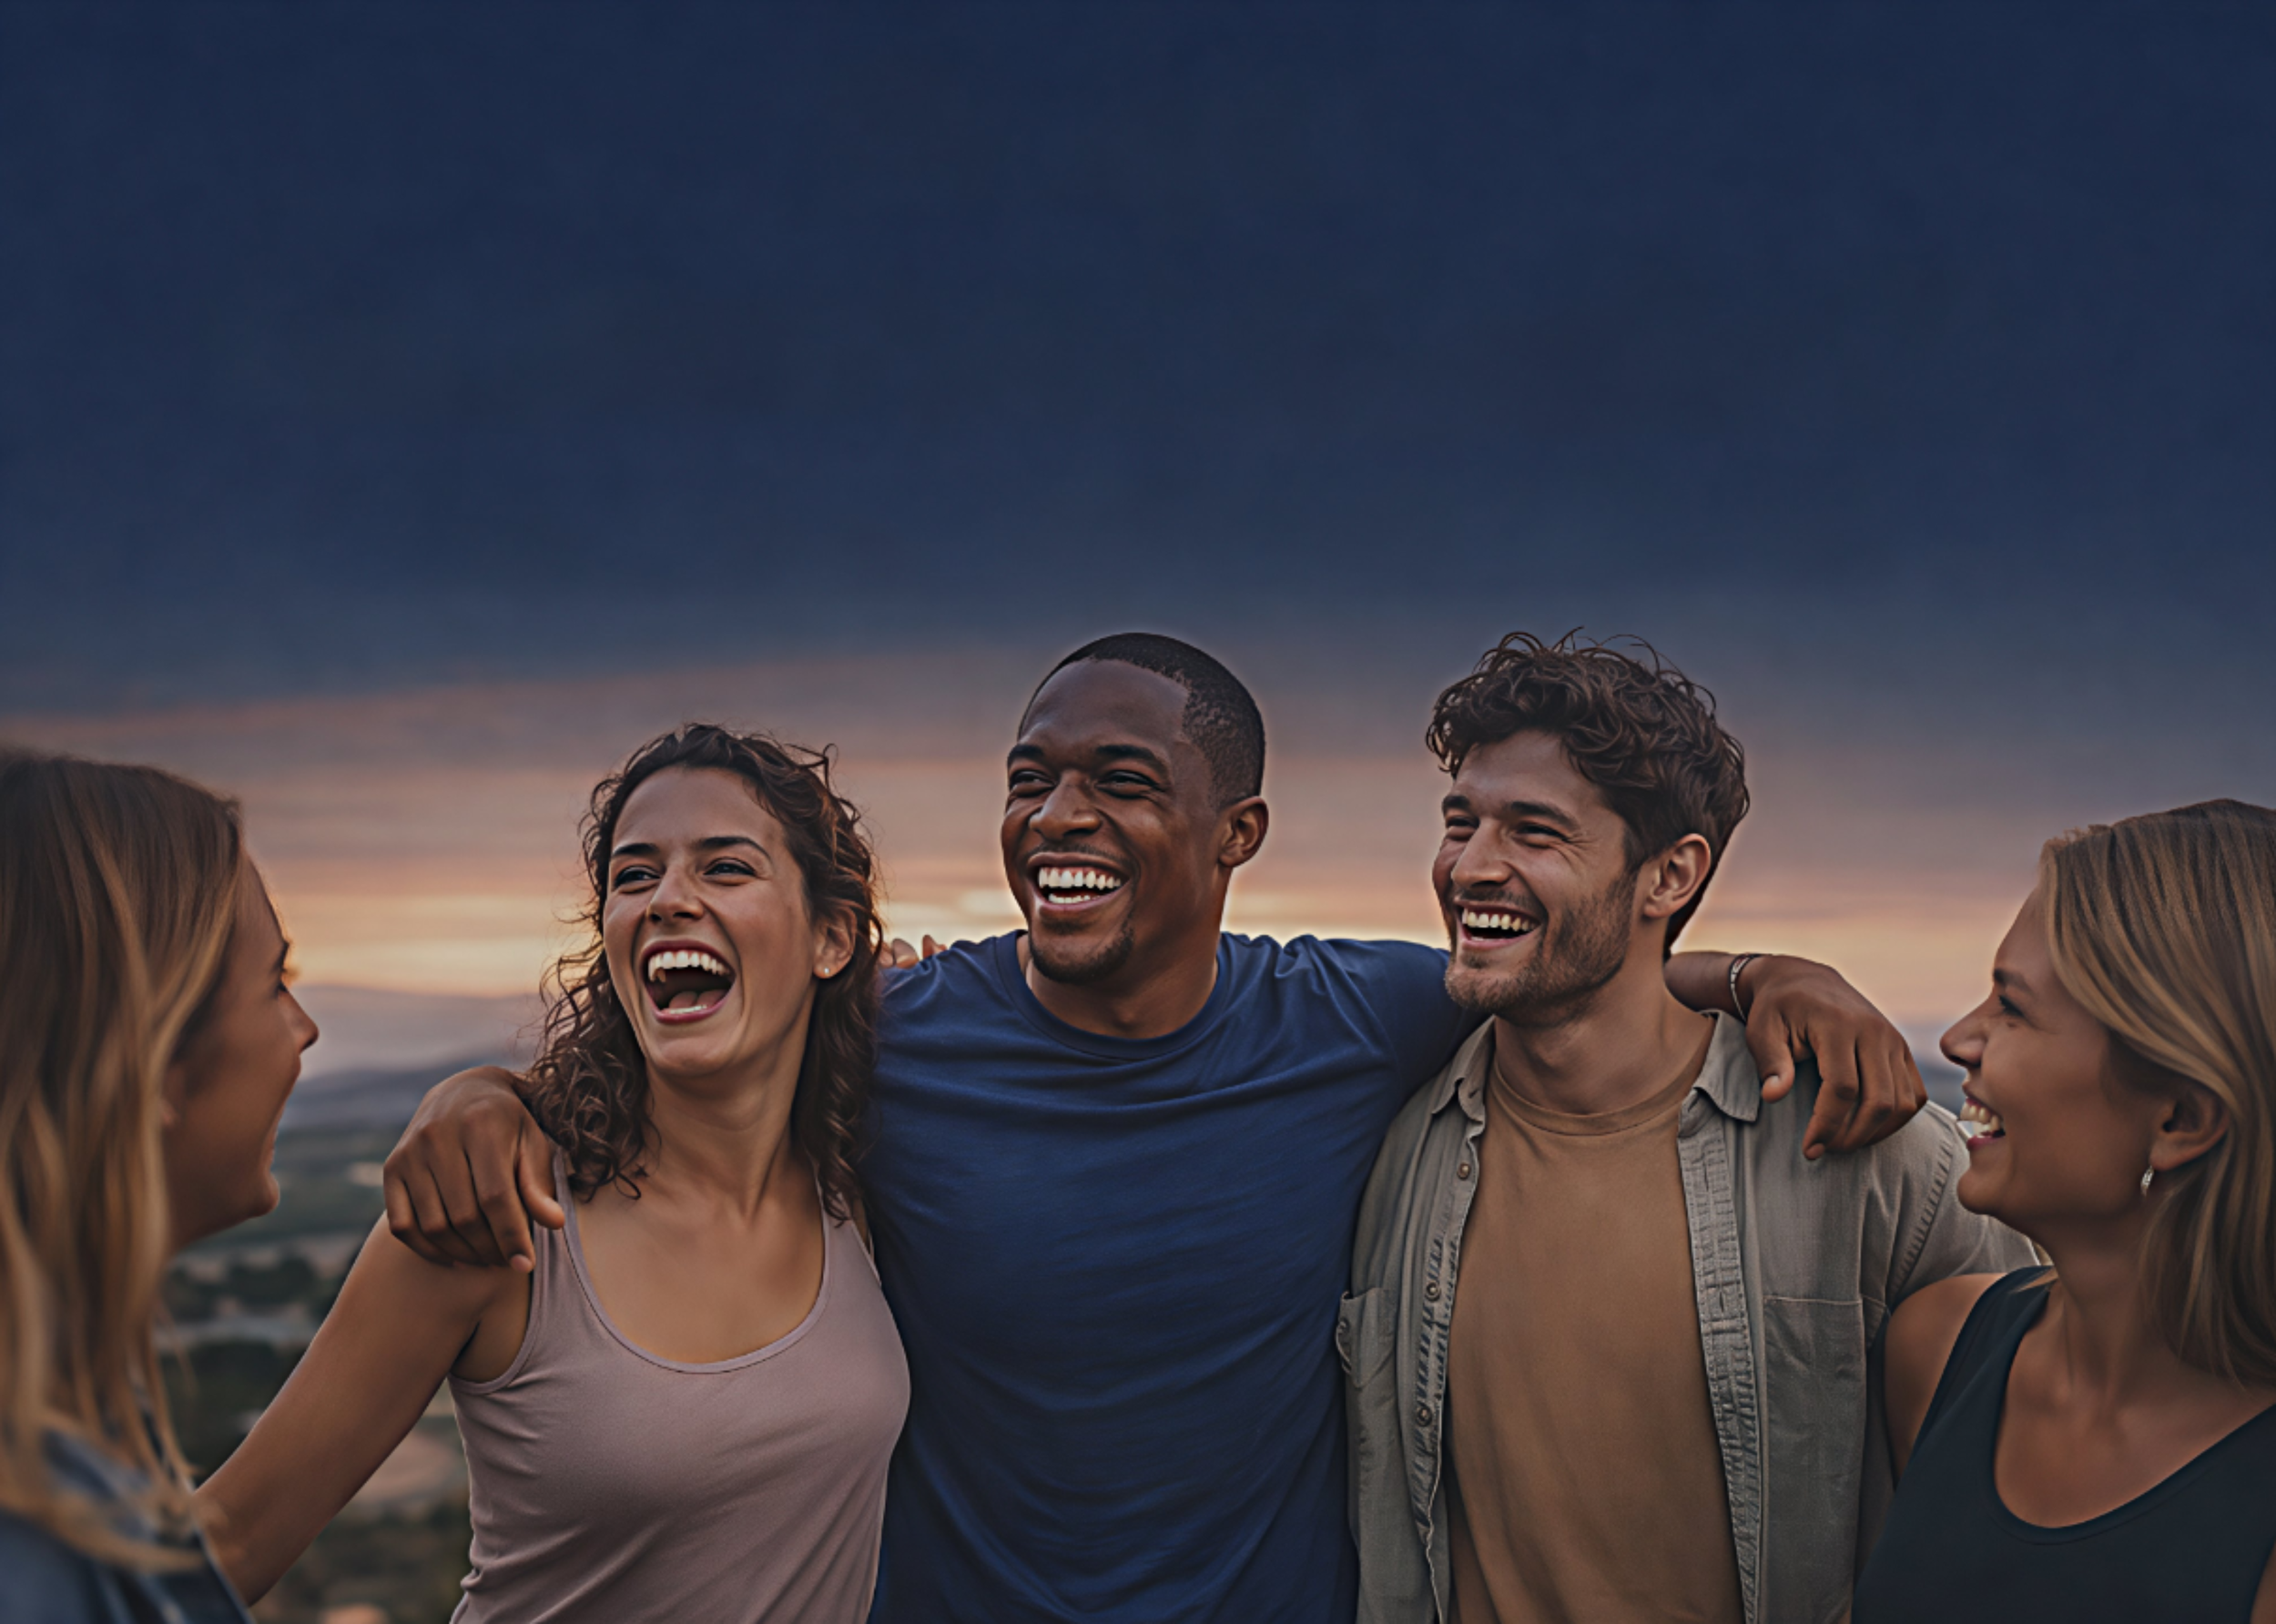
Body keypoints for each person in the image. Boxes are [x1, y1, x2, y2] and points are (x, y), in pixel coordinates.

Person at [385, 633, 1931, 1622]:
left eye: (1122, 781)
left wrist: (1770, 971)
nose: (1060, 816)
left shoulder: (1355, 1018)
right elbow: (678, 1050)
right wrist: (490, 1093)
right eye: (1029, 780)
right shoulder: (893, 1029)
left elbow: (1571, 969)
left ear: (1234, 833)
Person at [1344, 633, 2034, 1624]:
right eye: (1462, 822)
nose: (1471, 867)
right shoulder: (1389, 1137)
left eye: (1533, 832)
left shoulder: (1871, 1150)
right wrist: (1756, 970)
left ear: (1669, 877)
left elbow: (2037, 1495)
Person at [195, 726, 909, 1622]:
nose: (666, 899)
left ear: (831, 938)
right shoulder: (496, 1212)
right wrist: (480, 1092)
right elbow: (222, 1543)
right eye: (633, 874)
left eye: (725, 867)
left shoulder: (863, 1182)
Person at [1855, 801, 2276, 1622]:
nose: (1956, 1040)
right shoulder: (1938, 1349)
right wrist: (1747, 976)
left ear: (2180, 1120)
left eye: (2011, 1007)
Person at [0, 752, 320, 1623]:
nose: (305, 1030)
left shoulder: (79, 1425)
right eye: (274, 986)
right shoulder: (31, 1543)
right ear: (151, 1061)